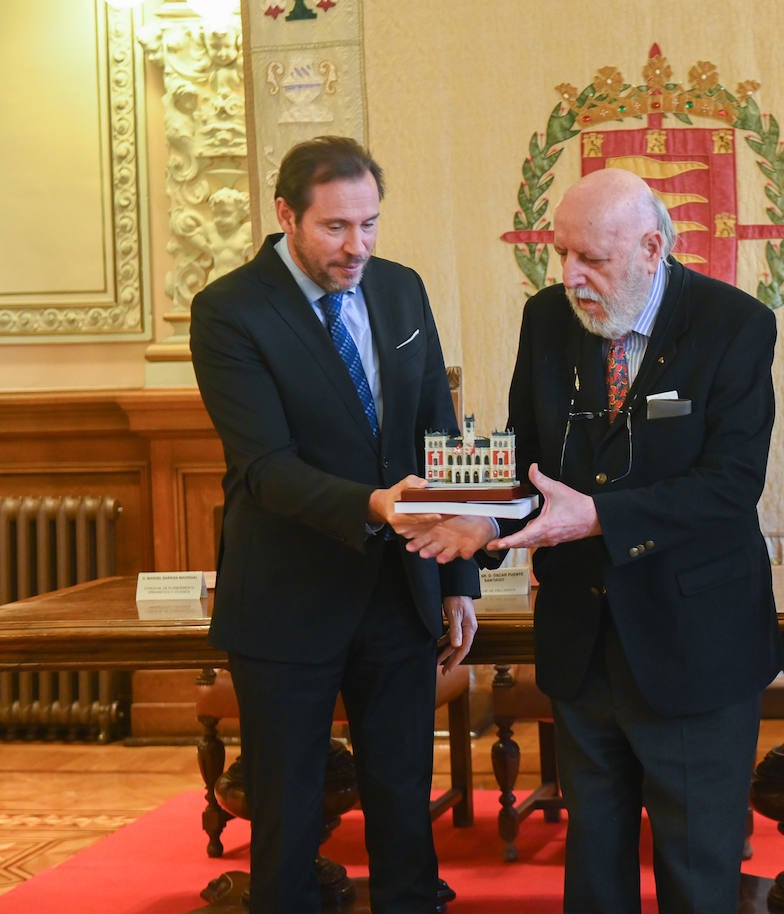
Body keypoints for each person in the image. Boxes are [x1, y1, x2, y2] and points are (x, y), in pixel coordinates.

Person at [407, 166, 783, 914]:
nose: (571, 277)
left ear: (651, 247)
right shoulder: (549, 318)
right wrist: (485, 516)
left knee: (696, 870)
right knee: (594, 870)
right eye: (562, 255)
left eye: (592, 260)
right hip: (582, 641)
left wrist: (601, 518)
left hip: (693, 643)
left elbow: (731, 483)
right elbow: (523, 457)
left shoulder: (732, 323)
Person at [189, 135, 484, 914]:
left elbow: (440, 433)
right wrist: (373, 504)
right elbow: (264, 466)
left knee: (401, 800)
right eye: (335, 228)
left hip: (401, 589)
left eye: (370, 224)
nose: (357, 246)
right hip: (288, 598)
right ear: (286, 214)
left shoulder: (401, 289)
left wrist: (458, 577)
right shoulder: (230, 310)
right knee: (286, 813)